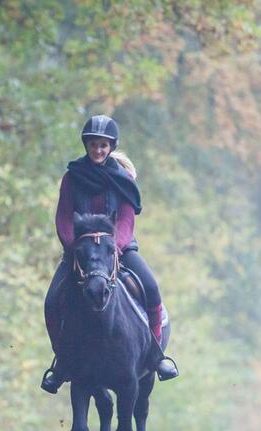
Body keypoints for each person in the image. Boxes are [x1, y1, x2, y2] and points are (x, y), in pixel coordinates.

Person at [41, 115, 178, 394]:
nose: (98, 150)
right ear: (87, 145)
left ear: (111, 146)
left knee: (151, 287)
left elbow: (126, 219)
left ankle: (156, 355)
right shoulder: (72, 177)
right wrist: (74, 246)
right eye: (94, 145)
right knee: (52, 300)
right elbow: (64, 217)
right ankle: (62, 363)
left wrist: (114, 248)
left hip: (118, 250)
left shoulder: (123, 178)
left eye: (103, 145)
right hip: (81, 253)